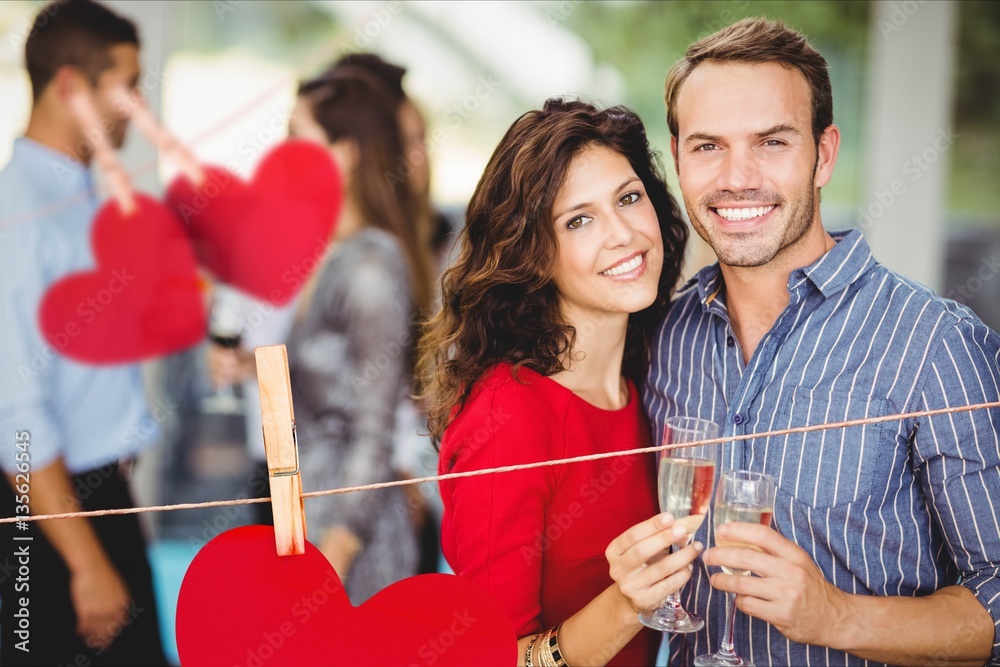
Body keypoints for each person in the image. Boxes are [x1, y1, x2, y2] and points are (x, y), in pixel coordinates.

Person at [644, 17, 1000, 666]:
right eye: (708, 146)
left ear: (824, 154)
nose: (737, 177)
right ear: (678, 159)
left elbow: (996, 609)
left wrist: (833, 614)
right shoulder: (665, 335)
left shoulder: (936, 345)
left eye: (772, 142)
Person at [418, 98, 693, 666]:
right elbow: (491, 659)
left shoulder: (656, 376)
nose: (623, 234)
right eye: (579, 219)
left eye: (628, 198)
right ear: (535, 255)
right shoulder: (508, 415)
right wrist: (625, 604)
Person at [0, 1, 167, 665]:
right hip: (56, 516)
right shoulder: (20, 216)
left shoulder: (78, 194)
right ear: (71, 86)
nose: (137, 104)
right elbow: (15, 414)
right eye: (125, 84)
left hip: (99, 501)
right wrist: (85, 560)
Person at [281, 69, 434, 603]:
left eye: (297, 138)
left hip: (351, 540)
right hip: (306, 513)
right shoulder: (325, 249)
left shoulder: (370, 266)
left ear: (344, 155)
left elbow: (374, 427)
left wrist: (338, 548)